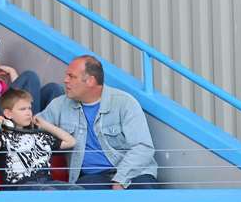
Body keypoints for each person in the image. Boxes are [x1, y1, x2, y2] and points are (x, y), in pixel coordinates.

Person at [35, 54, 156, 188]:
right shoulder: (59, 105)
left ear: (90, 81)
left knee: (145, 194)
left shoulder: (125, 103)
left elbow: (143, 148)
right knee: (81, 198)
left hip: (133, 174)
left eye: (72, 76)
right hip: (92, 178)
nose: (65, 80)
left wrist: (120, 180)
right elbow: (33, 126)